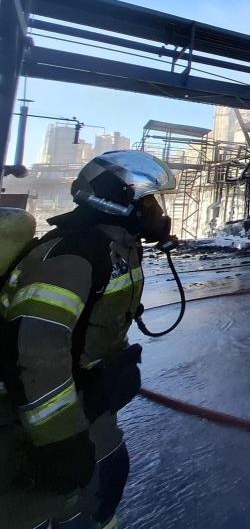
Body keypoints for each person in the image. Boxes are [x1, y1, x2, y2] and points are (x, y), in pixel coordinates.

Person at [0, 150, 177, 529]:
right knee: (53, 507)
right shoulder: (73, 256)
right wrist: (60, 443)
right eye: (151, 202)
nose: (158, 212)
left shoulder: (117, 249)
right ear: (122, 202)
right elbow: (33, 356)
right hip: (35, 420)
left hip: (89, 400)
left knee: (109, 474)